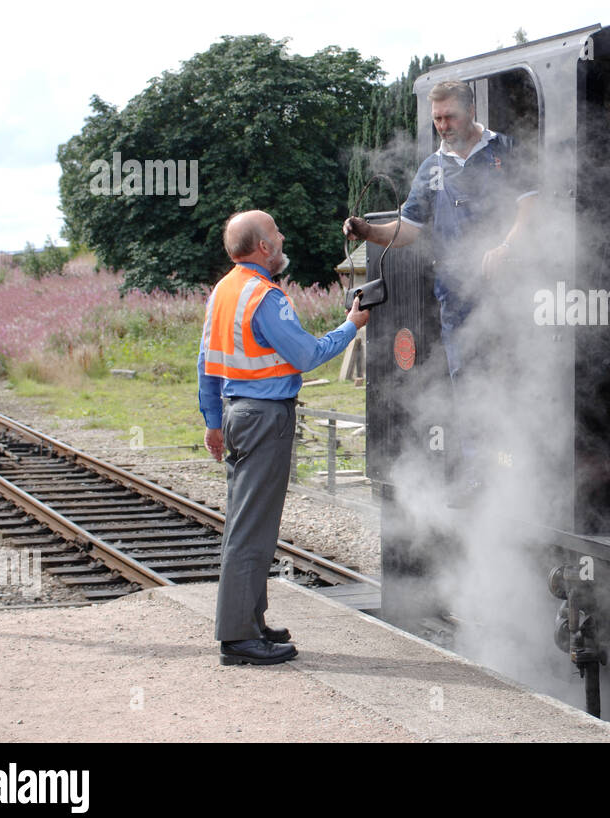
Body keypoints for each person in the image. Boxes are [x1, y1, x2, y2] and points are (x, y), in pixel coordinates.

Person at [343, 80, 535, 496]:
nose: (443, 125)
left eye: (449, 117)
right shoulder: (432, 168)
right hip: (457, 291)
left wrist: (505, 247)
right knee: (465, 377)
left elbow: (531, 209)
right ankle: (477, 475)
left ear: (470, 111)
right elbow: (408, 230)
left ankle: (523, 468)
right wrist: (367, 232)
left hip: (511, 285)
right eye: (437, 119)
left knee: (515, 372)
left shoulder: (507, 150)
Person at [198, 209, 369, 665]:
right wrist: (351, 325)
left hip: (237, 413)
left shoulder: (224, 290)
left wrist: (213, 421)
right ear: (263, 248)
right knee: (252, 529)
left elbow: (206, 362)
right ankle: (238, 639)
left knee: (246, 521)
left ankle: (251, 622)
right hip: (265, 416)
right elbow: (306, 354)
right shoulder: (264, 296)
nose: (283, 235)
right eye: (276, 231)